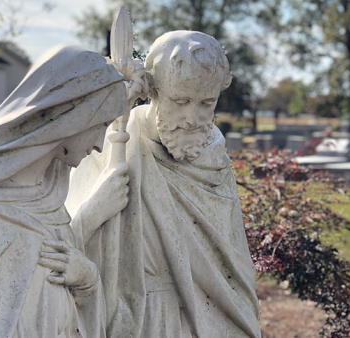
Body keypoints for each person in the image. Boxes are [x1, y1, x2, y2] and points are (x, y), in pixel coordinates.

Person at [0, 45, 142, 338]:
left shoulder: (51, 207)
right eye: (100, 125)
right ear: (71, 116)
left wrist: (88, 280)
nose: (101, 144)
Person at [67, 31, 261, 338]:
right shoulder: (111, 146)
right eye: (181, 101)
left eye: (206, 103)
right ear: (153, 90)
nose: (191, 117)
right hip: (142, 321)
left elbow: (234, 270)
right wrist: (92, 213)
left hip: (212, 322)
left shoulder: (216, 162)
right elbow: (58, 248)